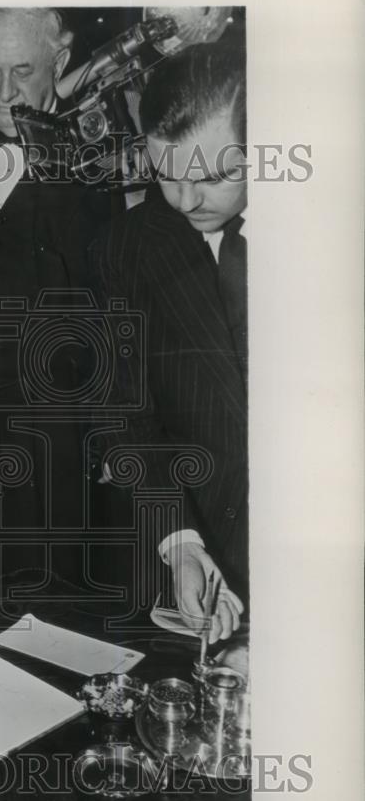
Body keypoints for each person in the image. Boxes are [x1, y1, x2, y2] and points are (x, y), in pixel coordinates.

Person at [0, 8, 119, 584]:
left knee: (53, 593)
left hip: (57, 425)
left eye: (22, 70)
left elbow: (115, 308)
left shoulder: (105, 158)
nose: (4, 91)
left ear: (60, 63)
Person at [89, 41, 247, 642]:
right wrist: (179, 541)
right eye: (166, 175)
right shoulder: (124, 248)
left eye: (212, 176)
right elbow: (124, 415)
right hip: (189, 552)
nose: (185, 201)